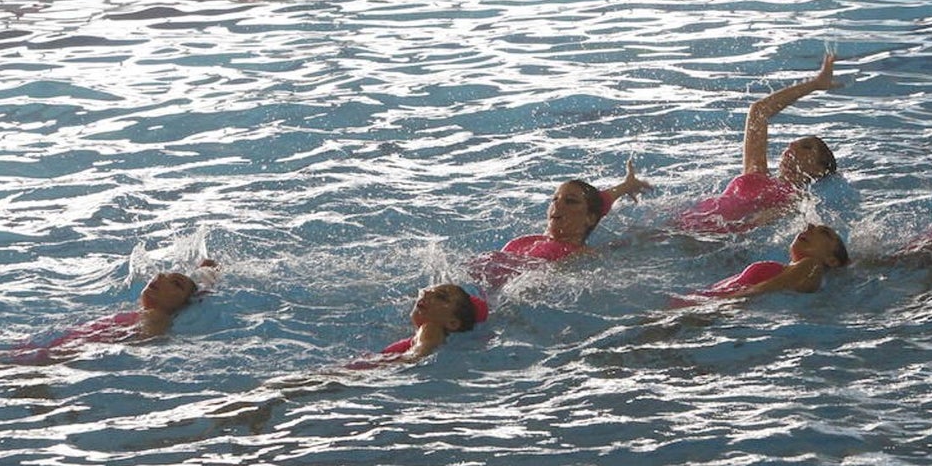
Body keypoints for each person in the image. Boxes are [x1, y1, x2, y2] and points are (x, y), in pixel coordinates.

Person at [678, 53, 840, 234]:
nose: (791, 147)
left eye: (806, 147)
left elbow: (753, 227)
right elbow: (759, 111)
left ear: (818, 170)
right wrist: (815, 84)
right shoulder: (756, 172)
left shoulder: (796, 199)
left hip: (707, 237)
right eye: (792, 143)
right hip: (683, 223)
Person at [471, 157, 652, 286]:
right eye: (555, 199)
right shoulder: (534, 240)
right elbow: (599, 201)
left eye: (570, 201)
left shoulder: (582, 254)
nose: (558, 205)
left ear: (589, 218)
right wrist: (626, 186)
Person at [10, 259, 219, 362]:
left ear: (182, 304)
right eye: (164, 274)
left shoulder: (157, 317)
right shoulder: (142, 312)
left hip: (60, 353)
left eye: (175, 284)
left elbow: (146, 339)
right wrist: (206, 270)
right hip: (51, 346)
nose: (161, 278)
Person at [672, 224, 850, 306]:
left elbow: (761, 291)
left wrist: (715, 306)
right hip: (699, 304)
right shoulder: (785, 268)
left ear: (831, 260)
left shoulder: (812, 266)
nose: (810, 226)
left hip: (705, 308)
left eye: (824, 233)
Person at [345, 283, 489, 368]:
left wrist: (380, 366)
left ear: (452, 323)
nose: (426, 292)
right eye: (429, 289)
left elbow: (416, 356)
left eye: (441, 296)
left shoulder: (430, 329)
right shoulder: (426, 335)